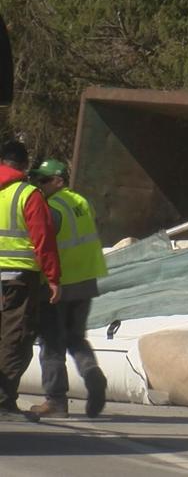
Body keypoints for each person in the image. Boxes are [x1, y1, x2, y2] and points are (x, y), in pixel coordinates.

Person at [28, 158, 107, 418]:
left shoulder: (51, 207)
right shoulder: (82, 203)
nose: (38, 185)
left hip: (58, 285)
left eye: (43, 180)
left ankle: (56, 401)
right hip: (86, 282)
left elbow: (42, 243)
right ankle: (92, 373)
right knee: (76, 338)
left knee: (51, 343)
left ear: (58, 180)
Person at [0, 140, 61, 422]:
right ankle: (3, 402)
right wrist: (53, 278)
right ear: (24, 166)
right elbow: (43, 240)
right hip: (18, 279)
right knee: (16, 339)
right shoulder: (28, 194)